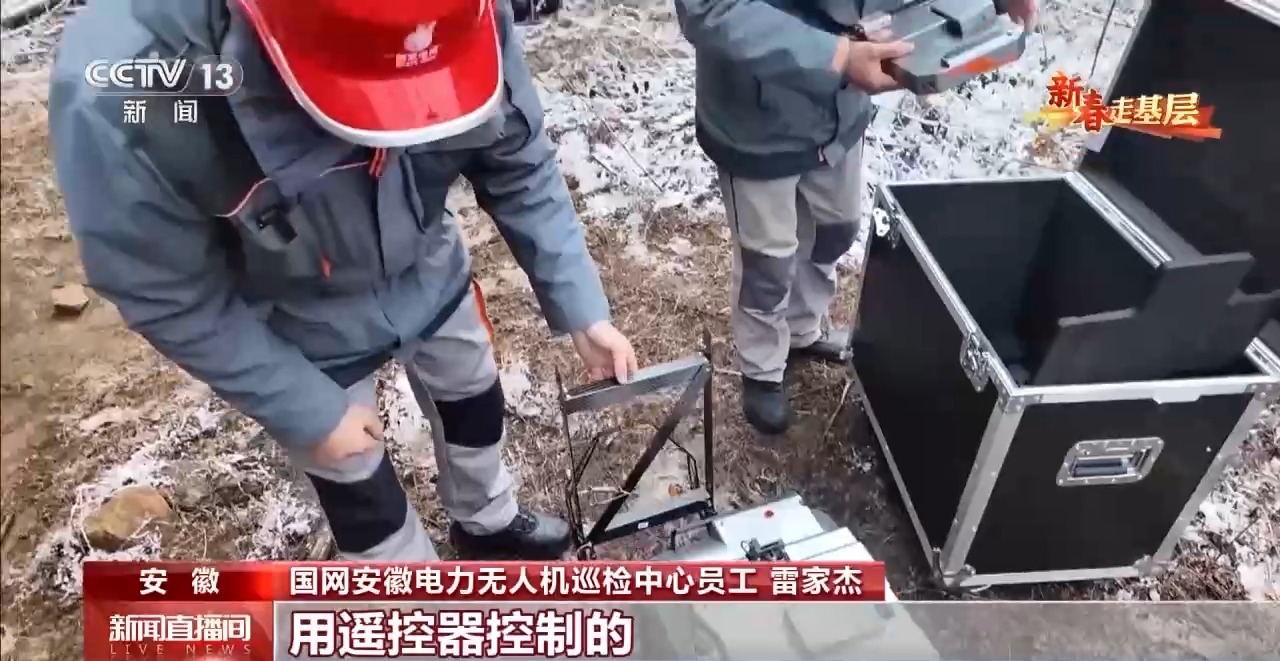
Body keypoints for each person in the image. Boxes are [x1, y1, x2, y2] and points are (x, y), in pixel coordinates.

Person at [49, 0, 639, 561]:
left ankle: (486, 522)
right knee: (356, 479)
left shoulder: (463, 17)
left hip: (424, 261)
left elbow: (518, 157)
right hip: (290, 308)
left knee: (473, 387)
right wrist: (307, 410)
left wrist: (578, 301)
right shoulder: (127, 88)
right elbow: (165, 291)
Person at [673, 0, 1039, 435]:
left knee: (836, 227)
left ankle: (802, 330)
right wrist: (838, 56)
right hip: (754, 118)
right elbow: (710, 9)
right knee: (767, 260)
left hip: (840, 111)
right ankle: (762, 365)